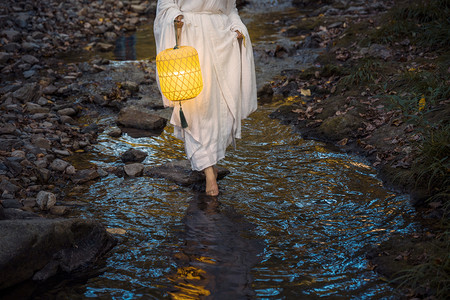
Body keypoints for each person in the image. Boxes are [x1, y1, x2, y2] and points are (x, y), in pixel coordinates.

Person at [154, 0, 257, 196]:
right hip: (191, 37)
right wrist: (175, 18)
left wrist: (237, 27)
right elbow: (165, 5)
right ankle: (209, 173)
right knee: (196, 107)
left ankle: (210, 163)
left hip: (222, 41)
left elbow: (230, 10)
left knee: (221, 106)